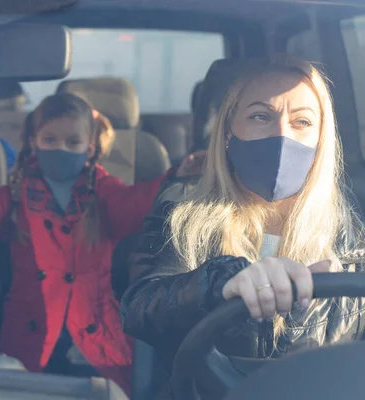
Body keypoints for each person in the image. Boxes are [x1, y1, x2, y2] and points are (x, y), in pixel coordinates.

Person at [0, 92, 204, 395]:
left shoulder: (102, 191)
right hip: (27, 339)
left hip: (94, 337)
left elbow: (138, 203)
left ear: (89, 149)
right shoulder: (17, 193)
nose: (60, 149)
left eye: (72, 142)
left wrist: (177, 178)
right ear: (33, 143)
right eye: (50, 140)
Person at [120, 54, 365, 385]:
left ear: (321, 140)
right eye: (261, 116)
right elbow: (140, 307)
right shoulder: (182, 212)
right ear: (227, 133)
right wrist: (219, 283)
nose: (282, 136)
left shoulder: (346, 227)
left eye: (302, 122)